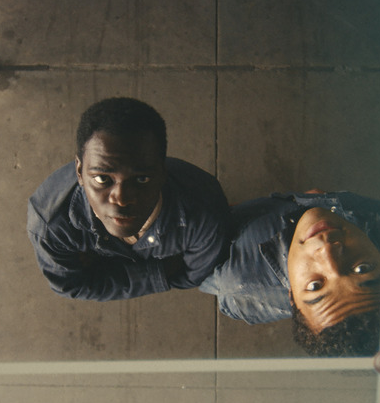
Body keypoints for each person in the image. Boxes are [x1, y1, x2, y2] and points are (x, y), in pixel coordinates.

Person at [27, 97, 231, 301]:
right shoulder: (50, 223)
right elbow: (72, 286)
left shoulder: (206, 213)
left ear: (163, 171)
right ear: (79, 171)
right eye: (102, 179)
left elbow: (192, 277)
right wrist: (163, 270)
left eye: (141, 179)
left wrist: (100, 269)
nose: (122, 199)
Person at [200, 191, 380, 356]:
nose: (327, 251)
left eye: (315, 286)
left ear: (291, 296)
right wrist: (314, 202)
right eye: (362, 269)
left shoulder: (237, 276)